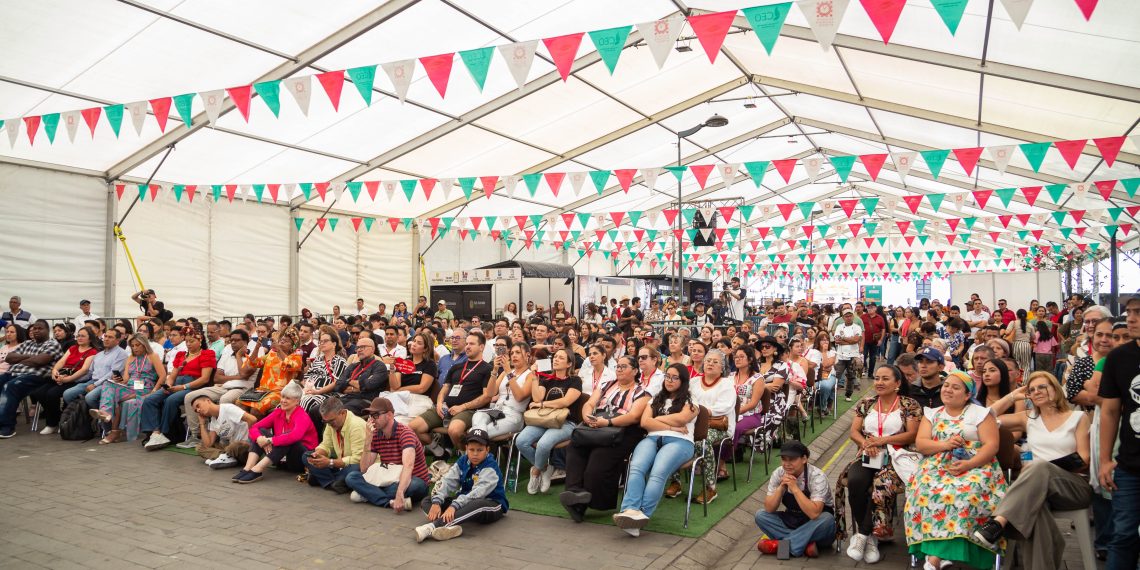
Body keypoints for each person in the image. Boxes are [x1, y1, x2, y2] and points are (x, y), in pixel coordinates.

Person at [972, 371, 1092, 569]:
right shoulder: (1028, 418)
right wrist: (1013, 396)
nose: (1037, 391)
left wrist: (1044, 467)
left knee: (1038, 466)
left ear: (1055, 389)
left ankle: (999, 521)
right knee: (1036, 513)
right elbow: (983, 418)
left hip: (1072, 485)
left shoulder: (1078, 417)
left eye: (1042, 387)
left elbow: (1083, 459)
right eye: (1032, 389)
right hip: (1037, 488)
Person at [905, 370, 1007, 569]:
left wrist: (968, 464)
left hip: (976, 465)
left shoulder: (981, 414)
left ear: (968, 395)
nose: (948, 390)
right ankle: (941, 555)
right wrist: (945, 445)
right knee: (925, 491)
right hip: (937, 465)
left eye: (955, 387)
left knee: (962, 494)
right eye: (946, 385)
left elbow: (991, 446)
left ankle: (935, 558)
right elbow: (922, 444)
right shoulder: (932, 414)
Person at [836, 364, 922, 563]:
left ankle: (863, 535)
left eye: (885, 378)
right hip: (869, 454)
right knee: (855, 481)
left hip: (897, 456)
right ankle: (871, 538)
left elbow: (912, 434)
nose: (879, 382)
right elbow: (854, 432)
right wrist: (866, 443)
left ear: (897, 383)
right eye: (877, 378)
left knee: (880, 485)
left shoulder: (909, 404)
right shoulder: (867, 403)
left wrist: (882, 441)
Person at [559, 354, 649, 521]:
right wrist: (587, 417)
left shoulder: (642, 393)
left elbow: (634, 417)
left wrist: (608, 422)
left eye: (624, 367)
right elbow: (589, 403)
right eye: (618, 366)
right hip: (597, 425)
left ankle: (581, 504)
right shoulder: (607, 385)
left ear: (635, 371)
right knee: (575, 446)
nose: (619, 369)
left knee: (598, 457)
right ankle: (575, 493)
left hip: (622, 431)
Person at [613, 363, 698, 537]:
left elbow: (682, 419)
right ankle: (630, 510)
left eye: (675, 377)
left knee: (657, 473)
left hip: (680, 442)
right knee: (636, 468)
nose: (670, 380)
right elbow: (645, 422)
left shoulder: (691, 400)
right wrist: (671, 426)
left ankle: (642, 515)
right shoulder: (656, 398)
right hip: (652, 438)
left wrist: (657, 419)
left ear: (683, 380)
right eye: (667, 376)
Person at [1097, 296, 1140, 570]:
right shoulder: (1119, 358)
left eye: (1139, 312)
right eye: (1129, 311)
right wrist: (1104, 460)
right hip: (1130, 465)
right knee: (1123, 536)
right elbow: (1110, 412)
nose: (1131, 318)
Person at [414, 428, 508, 543]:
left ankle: (430, 527)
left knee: (477, 503)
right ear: (466, 448)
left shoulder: (490, 467)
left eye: (480, 450)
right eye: (471, 449)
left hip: (491, 503)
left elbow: (477, 493)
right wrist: (437, 501)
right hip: (465, 500)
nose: (475, 454)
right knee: (428, 500)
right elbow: (448, 481)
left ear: (487, 450)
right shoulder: (463, 460)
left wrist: (454, 506)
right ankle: (450, 526)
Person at [409, 331, 492, 454]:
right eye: (467, 343)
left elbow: (486, 397)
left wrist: (463, 407)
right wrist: (439, 403)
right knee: (412, 427)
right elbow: (444, 388)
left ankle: (467, 456)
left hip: (469, 410)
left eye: (472, 344)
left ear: (481, 347)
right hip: (445, 408)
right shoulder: (457, 367)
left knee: (454, 430)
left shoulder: (487, 368)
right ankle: (438, 451)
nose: (467, 346)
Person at [754, 440, 836, 558]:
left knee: (827, 520)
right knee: (760, 515)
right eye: (784, 459)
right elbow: (769, 508)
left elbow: (814, 513)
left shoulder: (817, 476)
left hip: (815, 525)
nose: (787, 464)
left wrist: (794, 488)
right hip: (793, 520)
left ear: (804, 459)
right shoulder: (778, 473)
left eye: (792, 459)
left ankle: (781, 546)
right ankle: (805, 545)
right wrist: (781, 487)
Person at [518, 347, 583, 495]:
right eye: (555, 356)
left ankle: (536, 471)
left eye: (561, 357)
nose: (556, 359)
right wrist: (534, 377)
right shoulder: (546, 379)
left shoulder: (575, 380)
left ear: (569, 364)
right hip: (544, 420)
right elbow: (537, 398)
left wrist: (542, 405)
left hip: (566, 422)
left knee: (543, 444)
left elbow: (565, 402)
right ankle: (545, 468)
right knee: (521, 441)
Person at [142, 326, 217, 449]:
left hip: (194, 386)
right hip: (177, 384)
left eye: (192, 341)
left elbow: (204, 379)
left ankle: (164, 432)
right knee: (150, 399)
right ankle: (155, 432)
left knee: (170, 400)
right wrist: (169, 384)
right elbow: (172, 376)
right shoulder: (181, 355)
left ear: (200, 340)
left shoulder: (207, 354)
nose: (188, 344)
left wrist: (183, 387)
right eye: (186, 341)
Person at [234, 383, 319, 483]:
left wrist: (269, 440)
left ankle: (257, 470)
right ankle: (248, 468)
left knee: (287, 437)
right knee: (261, 432)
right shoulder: (278, 412)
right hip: (280, 457)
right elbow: (254, 427)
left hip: (301, 461)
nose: (283, 400)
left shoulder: (302, 416)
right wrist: (260, 439)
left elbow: (294, 436)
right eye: (283, 397)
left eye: (287, 398)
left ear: (297, 401)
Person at [29, 326, 98, 435]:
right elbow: (61, 362)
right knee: (38, 392)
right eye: (78, 336)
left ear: (90, 338)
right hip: (63, 375)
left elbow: (84, 370)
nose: (79, 338)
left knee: (52, 394)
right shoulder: (73, 348)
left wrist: (67, 379)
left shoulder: (92, 352)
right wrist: (54, 371)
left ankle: (52, 424)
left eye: (83, 336)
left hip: (76, 379)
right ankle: (58, 416)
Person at [688, 349, 736, 504]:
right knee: (673, 437)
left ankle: (710, 487)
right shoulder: (693, 382)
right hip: (692, 423)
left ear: (722, 368)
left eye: (715, 362)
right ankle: (675, 482)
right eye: (708, 361)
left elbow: (724, 408)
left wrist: (699, 411)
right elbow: (686, 402)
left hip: (718, 426)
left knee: (703, 440)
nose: (710, 364)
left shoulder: (727, 384)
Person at [303, 397, 367, 494]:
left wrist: (330, 462)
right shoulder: (330, 423)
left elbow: (359, 459)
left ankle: (326, 480)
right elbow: (326, 445)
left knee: (355, 469)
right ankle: (334, 483)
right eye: (325, 421)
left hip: (355, 465)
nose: (329, 424)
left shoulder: (356, 426)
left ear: (342, 413)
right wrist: (317, 454)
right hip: (341, 464)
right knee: (306, 456)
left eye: (331, 421)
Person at [470, 343, 533, 438]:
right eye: (512, 353)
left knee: (476, 433)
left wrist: (508, 371)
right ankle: (477, 437)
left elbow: (519, 397)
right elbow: (490, 393)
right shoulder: (504, 373)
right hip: (496, 410)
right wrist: (495, 370)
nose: (514, 355)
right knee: (478, 416)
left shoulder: (531, 375)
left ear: (527, 355)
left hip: (513, 415)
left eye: (518, 352)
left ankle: (475, 436)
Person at [238, 327, 302, 417]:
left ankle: (254, 426)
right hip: (262, 390)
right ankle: (247, 425)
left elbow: (290, 365)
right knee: (239, 403)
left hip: (280, 392)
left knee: (255, 409)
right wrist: (257, 348)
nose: (282, 341)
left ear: (292, 346)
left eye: (286, 341)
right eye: (282, 339)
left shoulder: (296, 357)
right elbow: (253, 363)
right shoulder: (272, 353)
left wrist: (279, 349)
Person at [379, 332, 437, 420]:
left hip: (419, 399)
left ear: (425, 349)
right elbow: (395, 386)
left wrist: (399, 390)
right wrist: (392, 370)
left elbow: (421, 388)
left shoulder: (430, 364)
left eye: (419, 343)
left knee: (397, 420)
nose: (414, 344)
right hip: (400, 397)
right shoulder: (404, 362)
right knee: (383, 418)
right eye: (414, 341)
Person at [189, 394, 255, 469]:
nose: (198, 410)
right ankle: (228, 457)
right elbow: (208, 444)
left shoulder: (227, 408)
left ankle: (225, 457)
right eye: (196, 410)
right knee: (200, 447)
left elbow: (252, 419)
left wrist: (249, 440)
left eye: (198, 406)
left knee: (235, 446)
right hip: (232, 448)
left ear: (208, 401)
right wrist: (202, 424)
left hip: (245, 447)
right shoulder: (213, 420)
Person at [299, 328, 347, 427]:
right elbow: (306, 376)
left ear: (334, 344)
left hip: (328, 394)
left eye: (325, 341)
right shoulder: (318, 360)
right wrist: (305, 387)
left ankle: (302, 430)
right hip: (310, 390)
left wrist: (318, 391)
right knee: (288, 398)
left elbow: (336, 382)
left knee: (307, 401)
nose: (322, 343)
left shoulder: (340, 361)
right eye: (320, 341)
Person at [331, 336, 388, 416]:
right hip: (346, 398)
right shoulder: (353, 366)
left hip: (365, 401)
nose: (359, 350)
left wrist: (348, 381)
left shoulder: (379, 366)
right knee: (318, 409)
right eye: (357, 347)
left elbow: (369, 385)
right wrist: (356, 387)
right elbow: (338, 385)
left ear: (372, 349)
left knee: (338, 412)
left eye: (363, 347)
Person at [833, 309, 863, 401]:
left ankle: (848, 395)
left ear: (853, 316)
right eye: (846, 316)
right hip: (841, 355)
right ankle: (832, 393)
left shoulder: (857, 327)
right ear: (843, 317)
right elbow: (837, 340)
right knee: (836, 375)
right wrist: (851, 340)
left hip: (853, 355)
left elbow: (856, 340)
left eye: (850, 316)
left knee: (851, 376)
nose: (848, 318)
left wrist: (844, 338)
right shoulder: (839, 327)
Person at [809, 333, 837, 415]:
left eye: (827, 340)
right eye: (823, 340)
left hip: (829, 375)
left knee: (825, 386)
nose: (825, 342)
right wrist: (822, 367)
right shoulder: (812, 351)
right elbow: (810, 364)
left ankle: (822, 407)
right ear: (818, 341)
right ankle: (812, 405)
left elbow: (825, 364)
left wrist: (824, 351)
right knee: (810, 386)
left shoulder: (832, 352)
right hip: (814, 376)